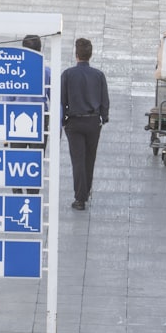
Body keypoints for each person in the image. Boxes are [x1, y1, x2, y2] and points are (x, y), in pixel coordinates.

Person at [60, 38, 109, 211]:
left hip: (74, 121)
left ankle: (79, 198)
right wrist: (104, 117)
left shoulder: (67, 74)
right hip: (93, 121)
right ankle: (85, 191)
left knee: (78, 160)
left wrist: (63, 121)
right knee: (90, 158)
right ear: (90, 54)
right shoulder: (98, 75)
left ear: (76, 54)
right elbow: (105, 100)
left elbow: (61, 100)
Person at [6, 34, 52, 194]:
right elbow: (53, 98)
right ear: (40, 51)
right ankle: (32, 196)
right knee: (35, 160)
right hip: (38, 121)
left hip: (16, 121)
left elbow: (8, 100)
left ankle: (17, 194)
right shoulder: (46, 72)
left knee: (16, 161)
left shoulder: (13, 72)